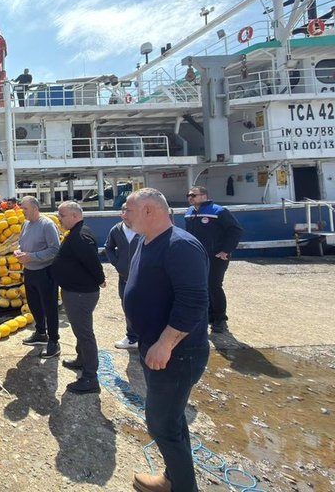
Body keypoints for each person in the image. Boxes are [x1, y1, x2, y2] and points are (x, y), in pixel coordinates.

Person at [123, 188, 209, 492]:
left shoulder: (181, 246)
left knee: (162, 424)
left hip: (177, 353)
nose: (123, 215)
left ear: (149, 211)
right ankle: (174, 478)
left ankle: (182, 487)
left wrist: (165, 343)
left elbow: (193, 302)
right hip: (154, 346)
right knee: (171, 419)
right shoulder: (145, 241)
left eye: (128, 210)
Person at [52, 201, 106, 394]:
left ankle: (90, 377)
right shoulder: (78, 232)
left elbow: (93, 262)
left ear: (75, 215)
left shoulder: (81, 236)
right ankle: (81, 359)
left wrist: (101, 279)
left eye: (62, 215)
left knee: (84, 333)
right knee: (80, 330)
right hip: (75, 291)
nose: (59, 218)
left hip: (80, 294)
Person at [184, 185, 243, 333]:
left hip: (216, 256)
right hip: (197, 256)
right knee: (202, 286)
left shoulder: (219, 211)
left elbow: (235, 230)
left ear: (204, 196)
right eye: (189, 196)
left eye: (193, 195)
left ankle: (220, 318)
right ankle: (209, 315)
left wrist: (226, 250)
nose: (190, 198)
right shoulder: (190, 212)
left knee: (214, 285)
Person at [14, 196, 61, 358]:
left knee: (50, 307)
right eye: (22, 208)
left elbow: (55, 250)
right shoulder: (25, 224)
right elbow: (21, 243)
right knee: (34, 304)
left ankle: (54, 341)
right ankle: (41, 333)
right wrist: (19, 251)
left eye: (25, 208)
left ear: (35, 208)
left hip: (45, 272)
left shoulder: (47, 225)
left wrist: (31, 256)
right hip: (29, 271)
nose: (22, 211)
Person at [104, 203, 142, 349]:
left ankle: (147, 336)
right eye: (124, 212)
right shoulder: (116, 230)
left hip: (144, 277)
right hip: (124, 277)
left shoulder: (144, 229)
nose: (126, 216)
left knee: (147, 306)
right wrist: (116, 263)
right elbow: (108, 248)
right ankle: (132, 337)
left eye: (129, 212)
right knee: (127, 306)